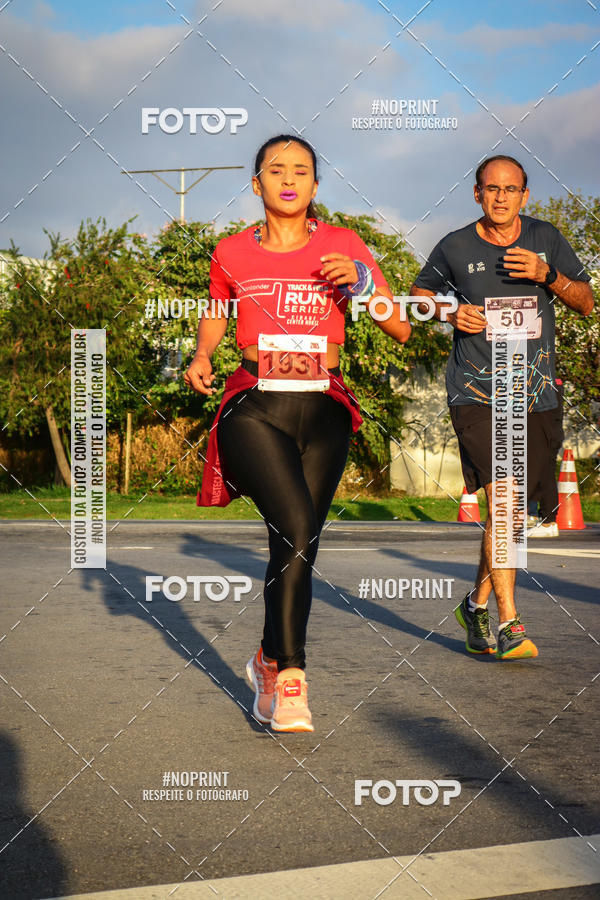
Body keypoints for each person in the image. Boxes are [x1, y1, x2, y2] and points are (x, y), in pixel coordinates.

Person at [185, 135, 410, 731]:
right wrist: (202, 354)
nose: (289, 179)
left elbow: (402, 329)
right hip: (255, 404)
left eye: (302, 171)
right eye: (276, 170)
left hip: (325, 407)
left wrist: (364, 284)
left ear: (316, 185)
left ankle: (264, 659)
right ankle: (291, 679)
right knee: (300, 525)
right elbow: (217, 311)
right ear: (256, 184)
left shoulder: (344, 245)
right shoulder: (230, 251)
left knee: (294, 545)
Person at [410, 155, 593, 660]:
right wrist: (450, 310)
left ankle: (476, 604)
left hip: (533, 393)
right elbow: (417, 295)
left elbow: (585, 301)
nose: (501, 198)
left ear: (524, 196)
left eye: (511, 190)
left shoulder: (546, 238)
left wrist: (548, 274)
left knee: (508, 513)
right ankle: (511, 623)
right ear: (477, 194)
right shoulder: (455, 245)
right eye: (491, 189)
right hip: (475, 391)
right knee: (506, 501)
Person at [527, 378, 563, 538]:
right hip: (549, 423)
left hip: (544, 420)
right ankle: (537, 515)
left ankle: (548, 520)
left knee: (543, 468)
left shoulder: (540, 379)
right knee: (539, 466)